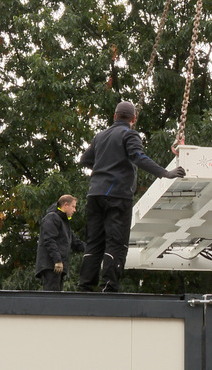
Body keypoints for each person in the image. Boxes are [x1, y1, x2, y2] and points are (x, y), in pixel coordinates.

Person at [78, 101, 186, 292]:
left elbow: (85, 160)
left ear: (114, 116)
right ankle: (109, 287)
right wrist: (166, 173)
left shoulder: (100, 136)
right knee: (116, 242)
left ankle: (85, 286)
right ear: (133, 119)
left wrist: (101, 167)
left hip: (94, 194)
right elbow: (138, 157)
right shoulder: (129, 134)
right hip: (117, 195)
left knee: (94, 241)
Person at [35, 194, 85, 291]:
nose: (75, 210)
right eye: (73, 206)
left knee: (57, 297)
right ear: (65, 205)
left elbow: (76, 243)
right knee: (52, 298)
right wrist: (57, 260)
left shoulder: (64, 223)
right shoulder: (52, 217)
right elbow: (49, 240)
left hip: (58, 267)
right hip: (51, 265)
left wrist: (93, 251)